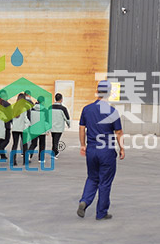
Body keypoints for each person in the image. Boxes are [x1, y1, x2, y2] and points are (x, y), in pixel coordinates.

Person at [77, 81, 124, 220]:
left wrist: (82, 145)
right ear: (109, 94)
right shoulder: (112, 111)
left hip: (91, 149)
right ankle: (101, 213)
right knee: (105, 182)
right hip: (106, 151)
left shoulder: (87, 109)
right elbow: (118, 132)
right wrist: (122, 148)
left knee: (92, 178)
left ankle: (84, 201)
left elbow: (82, 128)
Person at [51, 93, 70, 158]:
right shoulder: (63, 108)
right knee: (56, 140)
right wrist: (68, 124)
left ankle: (54, 152)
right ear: (61, 99)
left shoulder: (50, 107)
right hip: (59, 127)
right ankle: (55, 153)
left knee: (54, 140)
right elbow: (67, 118)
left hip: (52, 127)